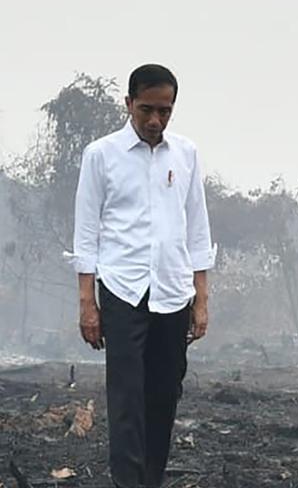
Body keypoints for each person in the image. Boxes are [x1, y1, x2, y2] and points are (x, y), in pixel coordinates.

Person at [72, 64, 214, 488]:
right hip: (121, 289)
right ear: (129, 103)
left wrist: (201, 298)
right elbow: (86, 230)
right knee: (127, 397)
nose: (155, 121)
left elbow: (198, 227)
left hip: (173, 290)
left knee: (164, 393)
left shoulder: (185, 154)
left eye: (165, 111)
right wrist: (86, 302)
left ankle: (151, 479)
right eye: (147, 110)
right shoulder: (101, 155)